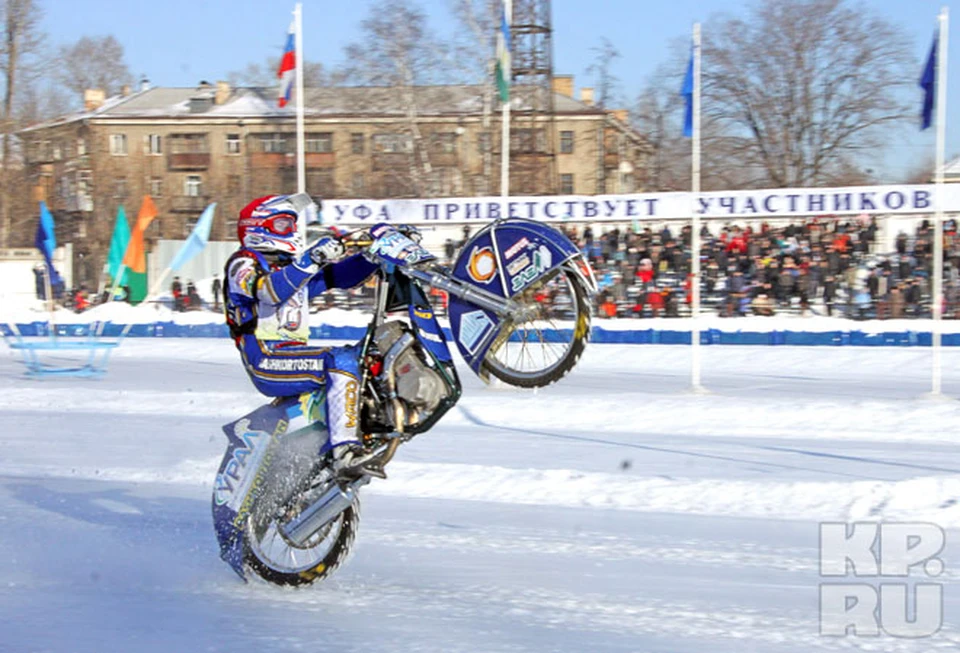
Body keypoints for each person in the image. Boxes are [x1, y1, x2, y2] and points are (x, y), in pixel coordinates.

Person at [223, 194, 380, 476]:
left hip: (291, 357)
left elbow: (336, 276)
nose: (292, 230)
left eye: (293, 224)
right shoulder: (243, 263)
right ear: (257, 227)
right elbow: (268, 291)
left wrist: (375, 254)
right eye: (284, 224)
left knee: (364, 358)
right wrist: (310, 259)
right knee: (340, 360)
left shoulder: (291, 270)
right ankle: (344, 451)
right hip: (267, 360)